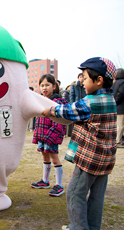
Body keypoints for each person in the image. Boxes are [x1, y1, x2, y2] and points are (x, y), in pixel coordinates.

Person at [42, 57, 117, 230]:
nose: (81, 82)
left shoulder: (91, 102)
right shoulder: (110, 101)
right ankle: (91, 226)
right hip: (105, 161)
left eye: (84, 77)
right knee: (97, 197)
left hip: (89, 161)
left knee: (75, 193)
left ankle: (78, 227)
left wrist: (49, 110)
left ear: (98, 81)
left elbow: (68, 111)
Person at [30, 74, 67, 197]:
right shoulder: (40, 100)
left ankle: (59, 185)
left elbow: (59, 123)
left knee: (55, 159)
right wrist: (38, 135)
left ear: (54, 86)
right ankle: (45, 181)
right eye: (42, 85)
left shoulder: (57, 102)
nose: (44, 88)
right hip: (42, 136)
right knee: (45, 159)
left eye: (47, 85)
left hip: (51, 136)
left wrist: (50, 136)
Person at [112, 68, 124, 148]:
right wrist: (117, 101)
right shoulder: (122, 82)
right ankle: (118, 141)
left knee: (118, 125)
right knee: (121, 125)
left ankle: (117, 140)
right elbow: (121, 93)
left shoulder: (115, 83)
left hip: (117, 106)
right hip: (121, 107)